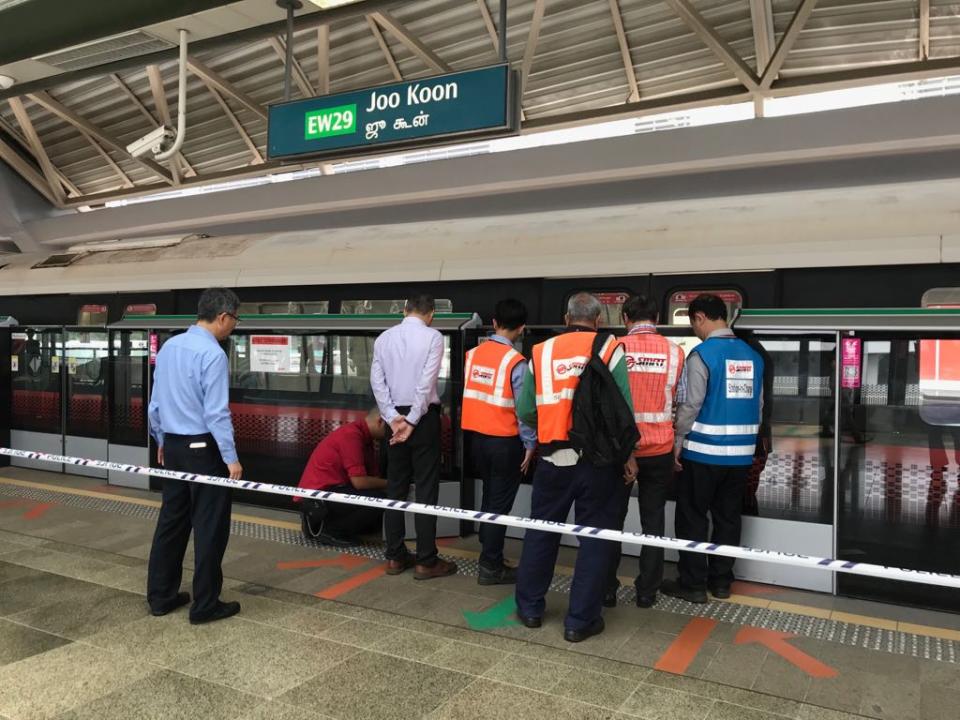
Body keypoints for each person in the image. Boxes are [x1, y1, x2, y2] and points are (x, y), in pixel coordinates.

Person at [514, 292, 637, 643]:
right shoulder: (610, 347)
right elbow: (622, 411)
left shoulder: (541, 351)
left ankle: (531, 609)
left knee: (541, 532)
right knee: (595, 541)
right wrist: (628, 456)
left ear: (566, 318)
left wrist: (552, 423)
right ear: (597, 320)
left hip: (553, 460)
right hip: (599, 464)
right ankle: (579, 621)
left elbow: (525, 411)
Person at [146, 287, 243, 624]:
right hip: (204, 449)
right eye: (235, 320)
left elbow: (154, 404)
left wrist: (161, 438)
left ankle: (161, 596)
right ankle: (205, 604)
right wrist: (231, 458)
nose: (234, 326)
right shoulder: (214, 355)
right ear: (223, 317)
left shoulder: (170, 347)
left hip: (172, 446)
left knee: (171, 521)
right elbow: (216, 413)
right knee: (209, 525)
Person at [663, 293, 764, 604]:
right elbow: (758, 405)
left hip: (703, 454)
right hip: (741, 456)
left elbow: (692, 404)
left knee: (692, 517)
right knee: (728, 518)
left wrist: (677, 441)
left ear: (700, 319)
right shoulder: (753, 355)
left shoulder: (702, 355)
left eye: (694, 323)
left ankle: (693, 584)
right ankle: (721, 582)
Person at [370, 293, 457, 580]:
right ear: (431, 314)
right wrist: (412, 420)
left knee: (395, 486)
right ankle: (426, 560)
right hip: (422, 420)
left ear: (404, 309)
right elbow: (426, 382)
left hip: (393, 420)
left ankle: (394, 557)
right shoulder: (433, 337)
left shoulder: (383, 338)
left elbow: (377, 382)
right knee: (426, 489)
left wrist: (392, 418)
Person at [605, 295, 684, 609]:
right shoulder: (676, 353)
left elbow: (607, 406)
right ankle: (647, 592)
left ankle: (607, 589)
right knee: (653, 521)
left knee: (612, 518)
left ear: (626, 318)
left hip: (622, 452)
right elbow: (681, 402)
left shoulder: (615, 349)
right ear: (657, 318)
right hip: (661, 448)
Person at [461, 299, 537, 585]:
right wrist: (530, 445)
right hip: (505, 443)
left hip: (476, 440)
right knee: (498, 505)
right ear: (522, 328)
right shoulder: (516, 362)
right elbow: (524, 409)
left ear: (494, 323)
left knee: (488, 498)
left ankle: (489, 553)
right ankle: (490, 566)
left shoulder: (472, 355)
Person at [296, 408, 388, 546]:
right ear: (380, 422)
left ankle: (334, 525)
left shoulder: (366, 440)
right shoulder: (351, 436)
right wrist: (391, 484)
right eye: (391, 429)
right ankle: (331, 531)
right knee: (378, 500)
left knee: (378, 499)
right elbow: (360, 482)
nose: (392, 434)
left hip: (332, 493)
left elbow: (372, 477)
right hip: (318, 498)